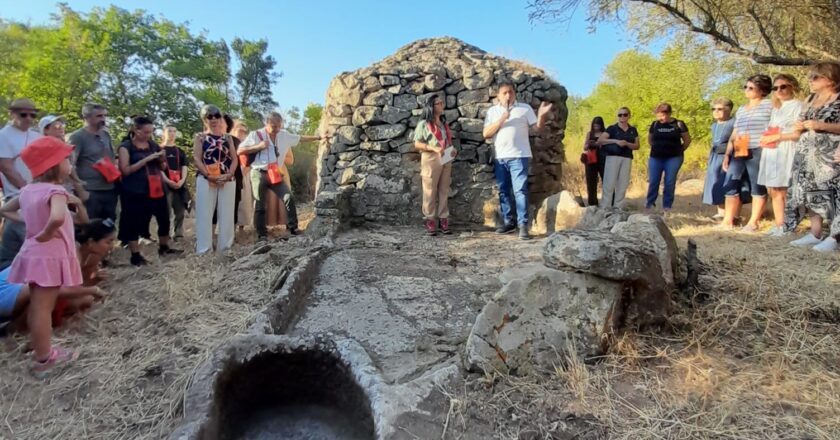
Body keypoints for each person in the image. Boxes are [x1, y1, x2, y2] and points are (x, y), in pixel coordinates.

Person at [6, 137, 84, 377]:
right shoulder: (55, 191)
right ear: (54, 165)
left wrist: (32, 225)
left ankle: (40, 347)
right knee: (43, 308)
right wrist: (48, 231)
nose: (69, 165)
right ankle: (45, 359)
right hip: (49, 255)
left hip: (32, 254)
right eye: (65, 160)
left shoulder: (28, 190)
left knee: (38, 306)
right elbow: (58, 217)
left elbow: (5, 210)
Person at [0, 219, 112, 337]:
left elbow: (74, 288)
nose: (111, 247)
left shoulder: (80, 253)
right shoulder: (71, 253)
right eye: (108, 242)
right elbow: (58, 289)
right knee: (48, 294)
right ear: (91, 242)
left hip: (17, 292)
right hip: (6, 292)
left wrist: (93, 281)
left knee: (84, 300)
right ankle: (14, 330)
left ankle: (17, 325)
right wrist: (93, 289)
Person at [482, 81, 554, 240]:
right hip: (500, 157)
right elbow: (486, 133)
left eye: (511, 92)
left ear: (515, 94)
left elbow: (537, 129)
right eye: (505, 93)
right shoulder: (493, 111)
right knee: (503, 190)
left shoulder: (524, 108)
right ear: (498, 96)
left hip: (519, 155)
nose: (508, 96)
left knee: (520, 190)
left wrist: (541, 116)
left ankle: (523, 226)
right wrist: (502, 119)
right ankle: (509, 222)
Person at [238, 111, 320, 242]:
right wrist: (258, 146)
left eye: (278, 126)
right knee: (260, 203)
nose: (276, 129)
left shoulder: (284, 135)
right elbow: (240, 150)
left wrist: (318, 138)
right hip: (259, 172)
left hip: (275, 173)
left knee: (288, 197)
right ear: (266, 123)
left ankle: (293, 228)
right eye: (273, 126)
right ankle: (262, 235)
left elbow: (300, 138)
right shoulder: (256, 135)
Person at [786, 62, 840, 252]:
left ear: (830, 78)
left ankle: (834, 237)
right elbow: (801, 124)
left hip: (830, 152)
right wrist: (799, 126)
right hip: (806, 152)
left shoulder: (838, 99)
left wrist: (822, 126)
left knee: (832, 193)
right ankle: (815, 233)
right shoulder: (810, 99)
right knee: (808, 191)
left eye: (816, 77)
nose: (811, 80)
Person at [118, 116, 182, 265]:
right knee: (133, 221)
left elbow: (163, 167)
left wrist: (161, 159)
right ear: (136, 130)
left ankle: (164, 247)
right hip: (134, 189)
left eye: (151, 132)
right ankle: (135, 255)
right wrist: (146, 159)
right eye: (146, 132)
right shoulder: (126, 147)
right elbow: (125, 170)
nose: (149, 135)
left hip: (155, 187)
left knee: (164, 218)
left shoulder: (153, 145)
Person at [721, 75, 773, 231]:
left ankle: (753, 222)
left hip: (758, 148)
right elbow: (735, 131)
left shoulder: (770, 105)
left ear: (762, 90)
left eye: (751, 87)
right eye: (745, 87)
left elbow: (776, 125)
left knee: (757, 185)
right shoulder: (742, 109)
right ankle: (727, 220)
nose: (747, 90)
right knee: (731, 183)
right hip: (739, 148)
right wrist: (727, 153)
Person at [758, 74, 803, 236]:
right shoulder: (776, 108)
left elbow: (797, 134)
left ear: (792, 86)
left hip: (786, 149)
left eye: (783, 86)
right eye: (775, 88)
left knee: (783, 189)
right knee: (773, 189)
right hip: (772, 150)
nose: (779, 90)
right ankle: (779, 224)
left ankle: (787, 225)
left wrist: (778, 137)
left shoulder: (798, 105)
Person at [0, 99, 43, 269]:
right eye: (23, 114)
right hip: (17, 198)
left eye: (32, 114)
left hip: (38, 196)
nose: (28, 118)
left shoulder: (37, 136)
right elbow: (6, 167)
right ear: (12, 114)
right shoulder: (3, 136)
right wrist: (28, 189)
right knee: (31, 243)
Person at [193, 104, 238, 254]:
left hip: (227, 179)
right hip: (206, 179)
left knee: (227, 214)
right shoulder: (200, 137)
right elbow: (197, 159)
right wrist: (209, 176)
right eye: (209, 116)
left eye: (216, 116)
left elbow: (234, 159)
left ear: (221, 118)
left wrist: (230, 174)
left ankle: (226, 247)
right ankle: (204, 250)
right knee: (204, 214)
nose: (213, 119)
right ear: (204, 119)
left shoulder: (228, 138)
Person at [413, 94, 457, 235]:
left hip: (445, 157)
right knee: (430, 190)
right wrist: (433, 148)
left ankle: (444, 218)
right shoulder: (423, 124)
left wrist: (452, 148)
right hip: (431, 158)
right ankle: (430, 219)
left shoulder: (443, 123)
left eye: (442, 102)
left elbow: (446, 140)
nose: (442, 105)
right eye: (439, 103)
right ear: (431, 106)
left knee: (444, 189)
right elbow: (417, 143)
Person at [68, 103, 118, 221]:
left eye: (104, 116)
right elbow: (70, 164)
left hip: (109, 189)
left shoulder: (105, 135)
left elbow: (111, 158)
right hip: (90, 190)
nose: (103, 119)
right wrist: (81, 190)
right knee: (89, 228)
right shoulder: (77, 137)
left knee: (108, 225)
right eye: (99, 116)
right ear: (86, 117)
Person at [646, 103, 691, 212]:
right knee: (653, 180)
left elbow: (687, 140)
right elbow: (650, 140)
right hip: (656, 157)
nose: (660, 117)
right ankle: (650, 204)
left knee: (669, 181)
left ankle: (667, 206)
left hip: (674, 157)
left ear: (669, 114)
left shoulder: (679, 124)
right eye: (658, 115)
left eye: (663, 115)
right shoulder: (655, 124)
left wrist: (679, 150)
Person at [597, 107, 640, 209]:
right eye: (620, 115)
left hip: (627, 157)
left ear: (629, 116)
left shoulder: (633, 130)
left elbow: (637, 145)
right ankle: (605, 206)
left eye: (625, 114)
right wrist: (616, 141)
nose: (622, 117)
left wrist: (627, 143)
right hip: (613, 157)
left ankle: (618, 206)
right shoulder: (612, 128)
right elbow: (601, 140)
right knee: (609, 182)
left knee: (623, 183)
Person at [703, 98, 737, 219]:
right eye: (714, 109)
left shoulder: (734, 123)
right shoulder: (714, 125)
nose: (716, 111)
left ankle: (733, 213)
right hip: (715, 156)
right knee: (714, 181)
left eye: (720, 109)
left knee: (728, 182)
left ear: (729, 109)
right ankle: (721, 212)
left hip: (730, 156)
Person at [161, 125, 191, 241]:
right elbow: (158, 169)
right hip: (165, 185)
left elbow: (184, 167)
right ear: (164, 133)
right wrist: (168, 181)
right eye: (169, 131)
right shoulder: (159, 150)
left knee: (180, 212)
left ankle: (178, 234)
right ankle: (164, 234)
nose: (172, 133)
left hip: (179, 185)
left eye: (174, 131)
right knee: (165, 212)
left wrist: (182, 180)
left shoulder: (180, 151)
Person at [232, 120, 254, 230]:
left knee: (244, 202)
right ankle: (230, 227)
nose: (242, 134)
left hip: (244, 173)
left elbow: (252, 159)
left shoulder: (248, 145)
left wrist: (246, 170)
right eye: (240, 131)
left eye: (244, 132)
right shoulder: (230, 142)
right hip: (231, 173)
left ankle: (241, 227)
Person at [582, 116, 604, 206]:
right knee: (591, 181)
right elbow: (585, 147)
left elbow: (606, 145)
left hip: (602, 158)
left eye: (598, 126)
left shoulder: (604, 133)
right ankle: (592, 203)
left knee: (606, 180)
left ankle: (608, 202)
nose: (596, 128)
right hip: (591, 159)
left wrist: (598, 144)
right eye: (595, 126)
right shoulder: (589, 134)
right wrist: (589, 144)